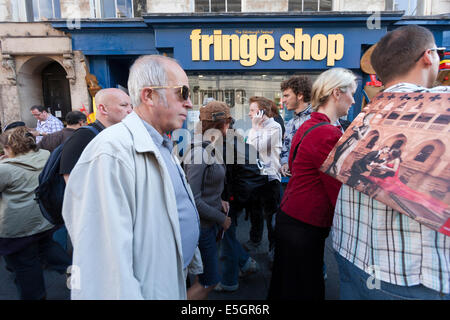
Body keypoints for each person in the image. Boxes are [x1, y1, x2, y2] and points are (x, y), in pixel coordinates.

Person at [62, 55, 201, 299]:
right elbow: (105, 273)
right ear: (149, 95)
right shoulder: (110, 152)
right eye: (183, 93)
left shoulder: (160, 143)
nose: (189, 103)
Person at [332, 25, 449, 300]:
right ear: (428, 56)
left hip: (350, 255)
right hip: (408, 275)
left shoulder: (365, 113)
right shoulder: (442, 103)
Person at [268, 68, 357, 300]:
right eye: (352, 93)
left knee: (286, 286)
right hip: (304, 225)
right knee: (306, 289)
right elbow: (339, 190)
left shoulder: (308, 125)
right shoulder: (327, 133)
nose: (354, 100)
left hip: (292, 217)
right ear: (336, 93)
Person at [0, 127, 71, 300]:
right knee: (45, 246)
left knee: (25, 266)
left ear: (9, 148)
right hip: (43, 217)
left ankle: (36, 296)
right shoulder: (45, 155)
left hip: (17, 227)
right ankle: (71, 269)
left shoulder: (5, 169)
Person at [183, 101, 232, 299]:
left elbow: (206, 184)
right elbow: (193, 199)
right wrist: (222, 219)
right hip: (203, 227)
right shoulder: (199, 152)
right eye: (229, 123)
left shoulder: (210, 146)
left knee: (201, 277)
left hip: (209, 225)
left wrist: (219, 199)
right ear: (223, 125)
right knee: (209, 281)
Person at [59, 88, 132, 184]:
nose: (130, 111)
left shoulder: (117, 133)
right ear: (103, 109)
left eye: (131, 106)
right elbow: (71, 181)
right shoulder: (83, 137)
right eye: (123, 105)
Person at [245, 96, 282, 260]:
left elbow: (255, 148)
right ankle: (255, 240)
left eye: (253, 110)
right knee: (255, 212)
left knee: (271, 216)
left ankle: (273, 250)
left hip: (269, 178)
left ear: (262, 111)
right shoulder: (255, 128)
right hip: (255, 176)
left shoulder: (274, 127)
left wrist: (254, 127)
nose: (249, 114)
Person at [279, 76, 313, 177]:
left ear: (300, 96)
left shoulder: (319, 118)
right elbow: (285, 149)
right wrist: (285, 163)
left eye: (286, 96)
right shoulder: (290, 123)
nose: (283, 100)